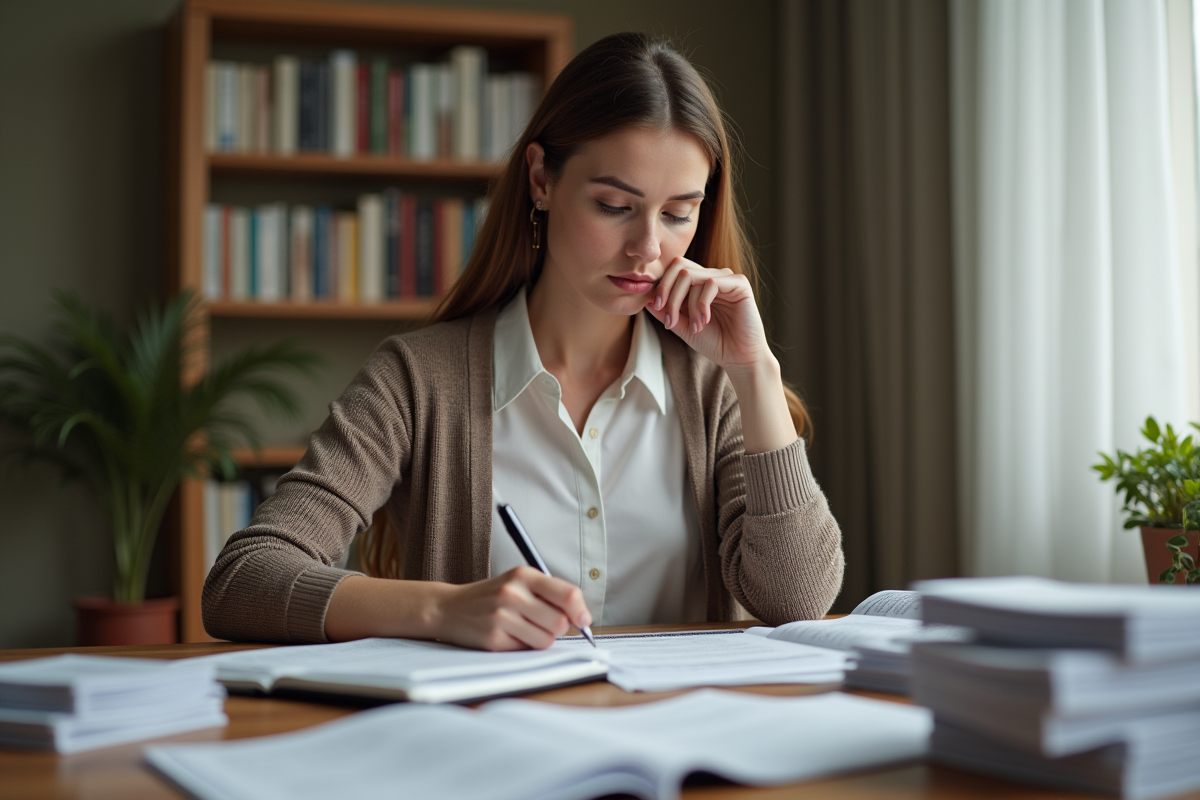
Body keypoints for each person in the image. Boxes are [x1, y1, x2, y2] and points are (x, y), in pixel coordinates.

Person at [202, 32, 844, 651]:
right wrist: (443, 609)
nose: (648, 248)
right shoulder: (418, 382)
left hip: (680, 745)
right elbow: (243, 579)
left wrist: (754, 371)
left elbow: (798, 599)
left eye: (678, 213)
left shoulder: (714, 389)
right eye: (614, 205)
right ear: (541, 179)